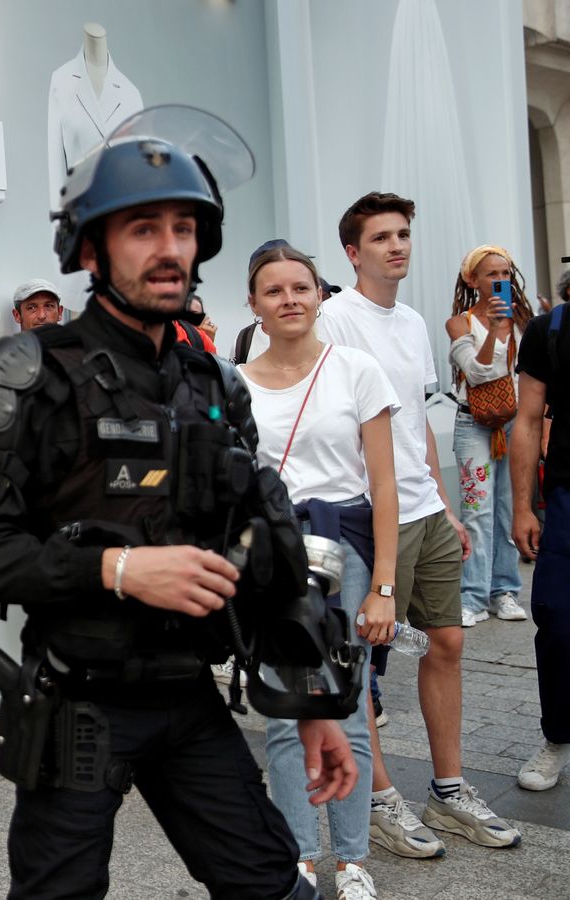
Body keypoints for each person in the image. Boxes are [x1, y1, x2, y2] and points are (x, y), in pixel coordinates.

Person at [0, 108, 358, 900]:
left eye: (183, 228)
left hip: (188, 697)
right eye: (142, 229)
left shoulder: (215, 385)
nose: (170, 249)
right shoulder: (25, 374)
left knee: (276, 889)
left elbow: (268, 548)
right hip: (76, 701)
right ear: (91, 249)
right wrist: (121, 569)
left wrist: (312, 704)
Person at [315, 192, 521, 855]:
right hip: (372, 513)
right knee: (367, 666)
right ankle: (378, 801)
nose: (397, 246)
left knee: (448, 645)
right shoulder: (333, 319)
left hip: (424, 511)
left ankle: (449, 789)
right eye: (381, 238)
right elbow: (329, 423)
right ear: (354, 251)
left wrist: (442, 505)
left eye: (403, 234)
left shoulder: (408, 321)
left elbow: (414, 421)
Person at [241, 243, 400, 899]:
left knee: (347, 705)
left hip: (348, 551)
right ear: (254, 304)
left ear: (319, 294)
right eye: (274, 291)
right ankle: (299, 856)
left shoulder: (356, 370)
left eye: (300, 287)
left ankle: (353, 861)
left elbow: (385, 485)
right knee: (284, 709)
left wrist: (385, 587)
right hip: (274, 555)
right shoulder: (235, 384)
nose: (289, 300)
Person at [443, 245, 530, 627]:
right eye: (492, 274)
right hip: (473, 422)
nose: (500, 281)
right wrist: (495, 330)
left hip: (514, 421)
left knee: (508, 509)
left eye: (506, 273)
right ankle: (473, 596)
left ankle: (505, 591)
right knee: (478, 511)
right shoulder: (459, 323)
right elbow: (478, 373)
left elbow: (529, 374)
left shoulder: (524, 319)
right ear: (471, 280)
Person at [510, 299, 570, 792]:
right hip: (566, 500)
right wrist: (523, 506)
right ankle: (558, 736)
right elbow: (528, 420)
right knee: (556, 619)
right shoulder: (550, 330)